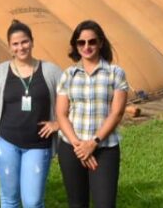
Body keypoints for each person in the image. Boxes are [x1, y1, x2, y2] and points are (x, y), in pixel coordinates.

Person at [0, 20, 62, 208]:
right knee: (9, 199)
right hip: (7, 144)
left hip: (38, 145)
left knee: (33, 201)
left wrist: (58, 124)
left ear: (32, 42)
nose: (21, 47)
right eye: (16, 44)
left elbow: (71, 100)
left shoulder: (50, 71)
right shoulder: (0, 72)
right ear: (10, 47)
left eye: (25, 42)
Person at [55, 20, 129, 208]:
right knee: (77, 203)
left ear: (101, 43)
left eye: (92, 42)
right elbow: (61, 114)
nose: (87, 47)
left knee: (105, 203)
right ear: (76, 45)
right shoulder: (68, 75)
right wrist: (79, 146)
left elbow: (117, 112)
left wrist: (93, 143)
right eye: (81, 42)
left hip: (104, 148)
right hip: (72, 147)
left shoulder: (115, 73)